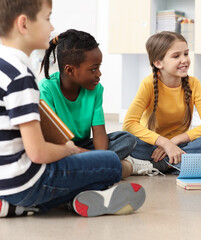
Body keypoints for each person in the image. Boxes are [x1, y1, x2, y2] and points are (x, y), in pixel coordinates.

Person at [0, 0, 145, 218]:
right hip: (25, 183)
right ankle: (72, 198)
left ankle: (17, 208)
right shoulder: (22, 76)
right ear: (24, 24)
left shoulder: (5, 66)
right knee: (111, 164)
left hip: (5, 180)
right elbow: (38, 152)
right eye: (47, 18)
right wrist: (69, 150)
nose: (51, 28)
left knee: (118, 144)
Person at [39, 29, 143, 178]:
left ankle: (95, 166)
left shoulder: (95, 89)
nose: (99, 73)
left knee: (127, 139)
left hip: (83, 146)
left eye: (99, 67)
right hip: (60, 148)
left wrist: (100, 156)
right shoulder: (47, 89)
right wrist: (100, 158)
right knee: (52, 158)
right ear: (70, 70)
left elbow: (99, 131)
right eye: (93, 69)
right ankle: (107, 167)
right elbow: (53, 140)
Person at [123, 31, 201, 173]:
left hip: (181, 145)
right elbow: (129, 124)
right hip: (151, 146)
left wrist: (173, 142)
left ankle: (155, 166)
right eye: (176, 56)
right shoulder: (148, 83)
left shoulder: (193, 83)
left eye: (186, 54)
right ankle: (178, 164)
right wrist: (164, 143)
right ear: (158, 63)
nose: (184, 60)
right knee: (126, 141)